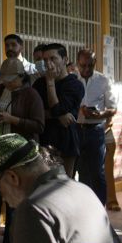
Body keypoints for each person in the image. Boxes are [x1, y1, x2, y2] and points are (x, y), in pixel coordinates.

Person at [0, 56, 45, 243]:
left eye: (11, 79)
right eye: (5, 78)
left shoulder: (31, 95)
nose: (7, 82)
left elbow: (38, 125)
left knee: (16, 207)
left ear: (21, 77)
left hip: (19, 157)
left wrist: (13, 119)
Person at [32, 43, 85, 176]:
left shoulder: (75, 85)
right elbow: (34, 113)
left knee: (64, 184)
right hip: (43, 140)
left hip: (65, 142)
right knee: (44, 184)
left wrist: (50, 82)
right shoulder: (38, 84)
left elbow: (57, 109)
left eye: (53, 58)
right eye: (45, 60)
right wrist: (57, 116)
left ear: (65, 60)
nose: (48, 63)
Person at [75, 49, 116, 205]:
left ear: (95, 63)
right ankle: (86, 209)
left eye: (90, 66)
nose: (86, 69)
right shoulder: (72, 80)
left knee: (97, 173)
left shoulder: (103, 80)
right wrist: (79, 110)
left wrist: (100, 115)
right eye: (83, 65)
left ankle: (100, 209)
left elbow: (113, 108)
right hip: (77, 129)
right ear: (78, 63)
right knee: (81, 172)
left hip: (96, 130)